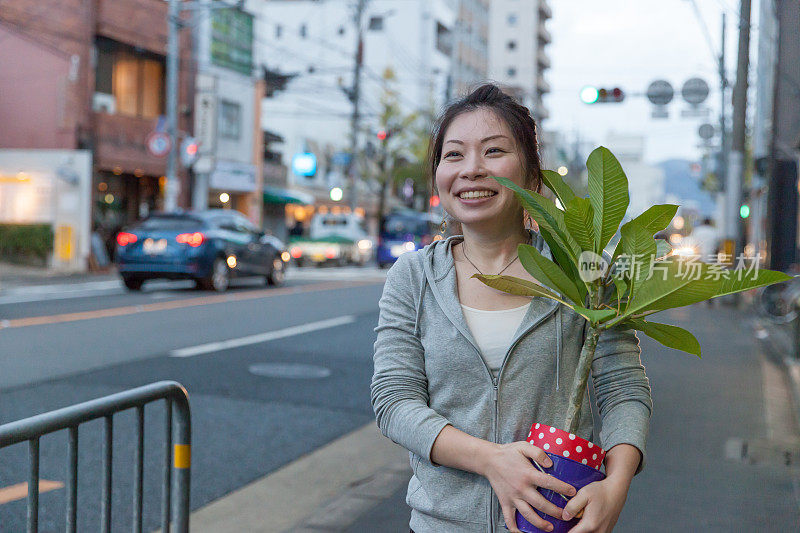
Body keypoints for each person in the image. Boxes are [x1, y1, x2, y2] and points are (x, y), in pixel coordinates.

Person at [371, 84, 652, 533]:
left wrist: (615, 487)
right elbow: (394, 401)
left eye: (494, 151)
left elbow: (623, 389)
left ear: (531, 176)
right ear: (439, 174)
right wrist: (491, 460)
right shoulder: (414, 276)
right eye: (454, 155)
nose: (472, 170)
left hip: (557, 521)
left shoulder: (584, 270)